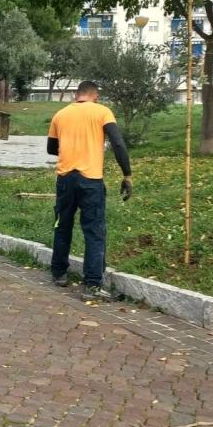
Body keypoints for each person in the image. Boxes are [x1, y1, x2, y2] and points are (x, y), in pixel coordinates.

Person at [47, 80, 132, 301]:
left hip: (65, 178)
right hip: (91, 180)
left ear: (77, 95)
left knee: (62, 225)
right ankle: (92, 285)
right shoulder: (102, 112)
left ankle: (59, 273)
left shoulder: (61, 115)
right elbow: (118, 143)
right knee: (94, 232)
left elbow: (51, 148)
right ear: (95, 95)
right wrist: (127, 174)